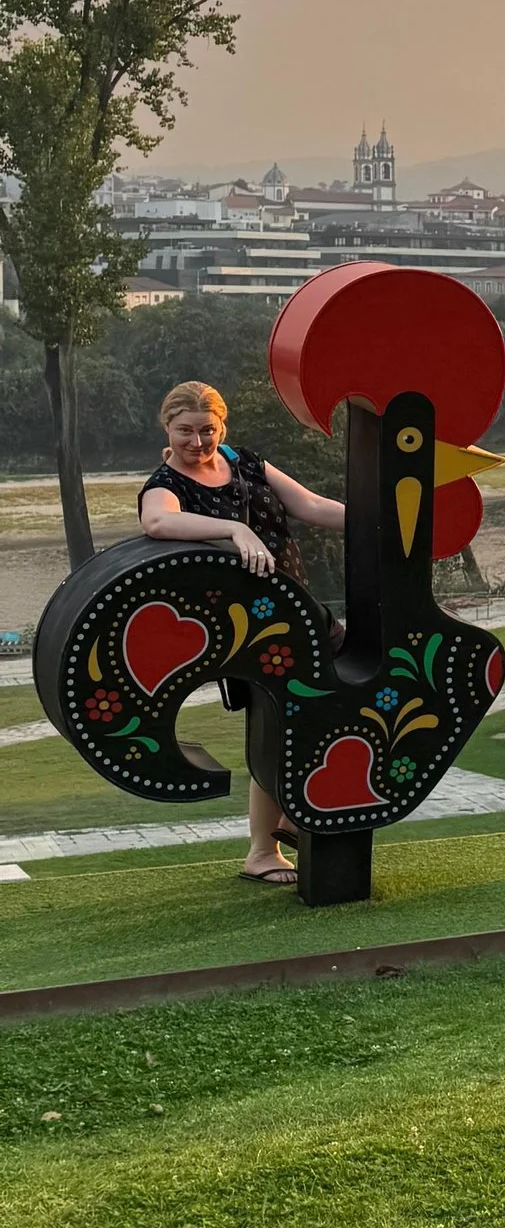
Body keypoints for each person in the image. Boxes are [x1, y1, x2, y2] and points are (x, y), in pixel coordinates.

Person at [138, 380, 347, 890]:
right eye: (184, 431)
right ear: (167, 429)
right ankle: (262, 848)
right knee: (275, 723)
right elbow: (158, 522)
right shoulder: (166, 483)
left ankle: (292, 813)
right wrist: (235, 529)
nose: (197, 441)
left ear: (221, 427)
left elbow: (312, 506)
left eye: (207, 430)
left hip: (297, 609)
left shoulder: (245, 461)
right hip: (247, 631)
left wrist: (387, 521)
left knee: (324, 706)